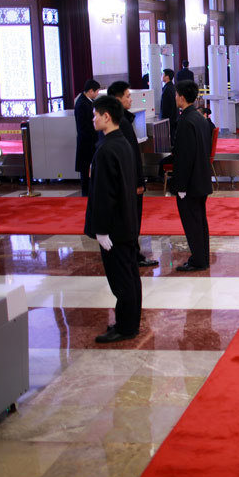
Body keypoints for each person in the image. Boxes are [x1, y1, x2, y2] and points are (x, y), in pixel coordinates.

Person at [84, 96, 141, 343]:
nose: (93, 118)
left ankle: (126, 327)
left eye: (96, 114)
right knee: (130, 274)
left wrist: (102, 229)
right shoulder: (122, 143)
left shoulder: (107, 149)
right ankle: (128, 322)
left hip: (114, 228)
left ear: (107, 116)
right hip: (127, 222)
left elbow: (105, 194)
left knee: (121, 279)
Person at [106, 81, 158, 268]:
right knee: (131, 219)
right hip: (128, 182)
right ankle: (132, 255)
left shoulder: (124, 120)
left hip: (131, 180)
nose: (130, 99)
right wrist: (137, 181)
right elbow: (130, 156)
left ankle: (132, 253)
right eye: (127, 96)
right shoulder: (119, 123)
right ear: (116, 99)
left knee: (133, 219)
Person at [171, 80, 213, 272]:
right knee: (200, 222)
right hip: (201, 178)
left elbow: (184, 157)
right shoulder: (200, 118)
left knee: (193, 223)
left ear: (181, 96)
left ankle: (199, 259)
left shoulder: (186, 121)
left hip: (190, 183)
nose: (175, 97)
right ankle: (201, 256)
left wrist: (180, 186)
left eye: (176, 94)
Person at [74, 79, 100, 197]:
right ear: (91, 91)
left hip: (91, 141)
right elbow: (84, 127)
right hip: (86, 143)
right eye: (97, 91)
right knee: (86, 172)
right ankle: (86, 196)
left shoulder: (88, 101)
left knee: (91, 171)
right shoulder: (81, 104)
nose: (98, 93)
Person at [160, 68, 179, 144]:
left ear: (167, 77)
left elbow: (166, 107)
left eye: (163, 74)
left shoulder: (167, 89)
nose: (161, 76)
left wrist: (163, 119)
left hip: (169, 119)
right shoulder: (172, 87)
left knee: (170, 140)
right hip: (174, 117)